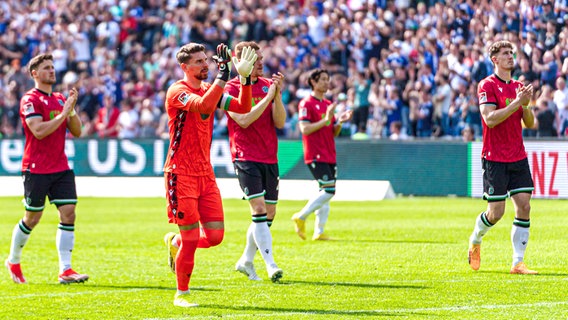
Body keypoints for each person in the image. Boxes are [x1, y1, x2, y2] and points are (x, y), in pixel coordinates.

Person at [162, 42, 257, 307]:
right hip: (180, 174)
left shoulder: (208, 88)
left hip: (205, 173)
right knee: (193, 239)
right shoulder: (177, 92)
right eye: (199, 62)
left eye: (206, 60)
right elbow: (204, 107)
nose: (205, 64)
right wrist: (224, 73)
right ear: (185, 67)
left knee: (215, 237)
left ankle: (176, 241)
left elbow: (241, 107)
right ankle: (182, 293)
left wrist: (246, 79)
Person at [5, 53, 89, 284]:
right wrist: (63, 113)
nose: (52, 71)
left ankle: (66, 270)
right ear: (35, 74)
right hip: (36, 167)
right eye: (47, 68)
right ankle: (13, 259)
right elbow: (38, 131)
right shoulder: (30, 100)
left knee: (69, 213)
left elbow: (78, 131)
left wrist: (70, 110)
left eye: (53, 67)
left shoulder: (61, 99)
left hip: (60, 166)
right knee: (32, 217)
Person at [467, 40, 537, 275]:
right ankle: (476, 238)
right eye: (506, 53)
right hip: (495, 157)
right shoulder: (486, 85)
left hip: (518, 155)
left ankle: (518, 262)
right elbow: (490, 119)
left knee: (524, 206)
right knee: (496, 213)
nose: (511, 56)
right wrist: (518, 102)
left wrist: (525, 106)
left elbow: (530, 123)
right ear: (494, 59)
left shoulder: (519, 86)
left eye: (512, 53)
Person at [224, 41, 286, 282]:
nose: (260, 62)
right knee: (258, 209)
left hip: (269, 155)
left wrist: (277, 96)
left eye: (261, 58)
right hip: (244, 155)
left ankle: (246, 260)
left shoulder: (268, 85)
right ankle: (271, 265)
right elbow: (244, 120)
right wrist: (268, 96)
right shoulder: (229, 88)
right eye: (255, 58)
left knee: (268, 213)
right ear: (241, 61)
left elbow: (279, 122)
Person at [291, 69, 353, 241]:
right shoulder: (306, 104)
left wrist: (339, 121)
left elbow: (333, 132)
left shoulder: (327, 104)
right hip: (315, 153)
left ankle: (319, 231)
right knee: (329, 190)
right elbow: (304, 129)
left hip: (329, 152)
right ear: (313, 82)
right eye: (323, 79)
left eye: (328, 79)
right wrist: (326, 119)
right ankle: (301, 216)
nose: (327, 83)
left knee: (324, 192)